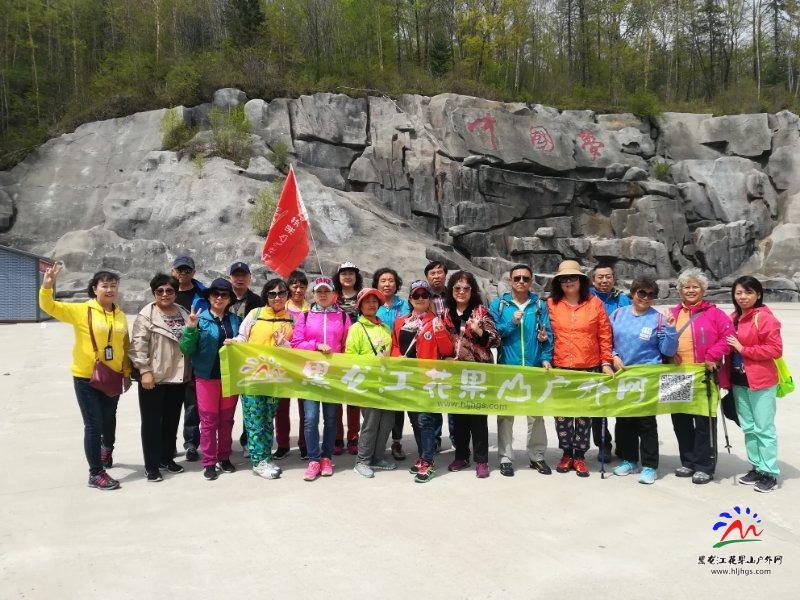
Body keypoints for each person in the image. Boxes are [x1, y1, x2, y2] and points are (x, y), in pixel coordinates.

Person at [39, 264, 131, 490]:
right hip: (86, 377)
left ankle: (106, 451)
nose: (109, 289)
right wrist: (47, 286)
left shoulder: (119, 314)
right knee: (93, 425)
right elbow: (49, 306)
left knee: (109, 419)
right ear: (94, 289)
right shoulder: (82, 310)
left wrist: (127, 373)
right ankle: (95, 473)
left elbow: (124, 345)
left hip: (113, 376)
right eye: (105, 286)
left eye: (113, 286)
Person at [547, 260, 613, 478]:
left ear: (581, 281)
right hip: (561, 367)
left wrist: (605, 362)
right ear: (558, 283)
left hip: (589, 366)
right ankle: (567, 453)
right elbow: (546, 336)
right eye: (563, 279)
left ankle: (580, 456)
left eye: (573, 278)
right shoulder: (551, 304)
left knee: (584, 415)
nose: (568, 282)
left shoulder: (595, 304)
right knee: (563, 415)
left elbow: (604, 334)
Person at [610, 277, 678, 485]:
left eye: (651, 295)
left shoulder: (657, 319)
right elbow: (607, 340)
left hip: (648, 376)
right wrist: (613, 355)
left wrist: (670, 329)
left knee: (646, 423)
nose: (646, 298)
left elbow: (668, 350)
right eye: (641, 293)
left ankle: (649, 465)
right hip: (624, 375)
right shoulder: (618, 314)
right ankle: (629, 459)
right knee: (624, 420)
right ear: (632, 293)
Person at [669, 267, 733, 484]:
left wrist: (713, 354)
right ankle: (688, 461)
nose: (690, 290)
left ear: (703, 290)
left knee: (704, 421)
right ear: (680, 290)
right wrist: (669, 354)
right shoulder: (673, 313)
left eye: (695, 286)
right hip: (676, 374)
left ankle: (705, 465)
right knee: (681, 421)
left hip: (703, 374)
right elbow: (663, 338)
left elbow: (729, 337)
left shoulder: (715, 313)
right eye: (686, 287)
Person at [226, 278, 294, 480]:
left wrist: (285, 344)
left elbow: (296, 351)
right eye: (272, 294)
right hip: (253, 377)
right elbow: (242, 337)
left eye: (281, 293)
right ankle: (258, 461)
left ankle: (265, 456)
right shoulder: (254, 315)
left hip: (275, 379)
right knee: (254, 419)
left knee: (267, 419)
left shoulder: (292, 319)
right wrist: (234, 343)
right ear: (266, 296)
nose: (277, 297)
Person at [490, 264, 554, 477]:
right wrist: (512, 323)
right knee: (506, 415)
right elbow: (493, 334)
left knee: (536, 415)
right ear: (510, 280)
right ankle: (506, 458)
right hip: (508, 367)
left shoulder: (539, 306)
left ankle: (537, 456)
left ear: (531, 280)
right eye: (517, 278)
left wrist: (545, 357)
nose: (521, 282)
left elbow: (548, 334)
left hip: (534, 368)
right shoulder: (499, 305)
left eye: (526, 279)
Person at [129, 274, 192, 482]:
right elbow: (138, 346)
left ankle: (167, 458)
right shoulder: (146, 315)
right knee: (151, 423)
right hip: (154, 378)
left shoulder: (183, 312)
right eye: (160, 291)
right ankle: (152, 465)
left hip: (177, 376)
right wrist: (144, 371)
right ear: (154, 293)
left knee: (172, 421)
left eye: (170, 291)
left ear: (175, 292)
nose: (165, 295)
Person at [391, 280, 454, 483]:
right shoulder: (401, 321)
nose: (420, 299)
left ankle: (428, 460)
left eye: (424, 296)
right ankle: (422, 456)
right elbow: (394, 345)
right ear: (410, 299)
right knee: (414, 420)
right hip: (408, 379)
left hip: (428, 380)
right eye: (416, 295)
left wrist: (440, 330)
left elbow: (446, 351)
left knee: (426, 420)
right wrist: (396, 357)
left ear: (429, 300)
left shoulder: (435, 321)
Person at [179, 278, 241, 481]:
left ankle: (224, 457)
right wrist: (190, 328)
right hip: (206, 378)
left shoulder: (234, 320)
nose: (220, 298)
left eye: (224, 295)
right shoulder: (200, 319)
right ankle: (209, 461)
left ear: (230, 298)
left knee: (226, 420)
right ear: (209, 297)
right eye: (215, 294)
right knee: (208, 422)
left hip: (229, 377)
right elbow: (186, 349)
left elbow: (243, 344)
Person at [291, 277, 351, 481]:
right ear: (314, 294)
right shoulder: (305, 316)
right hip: (310, 374)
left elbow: (346, 347)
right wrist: (316, 346)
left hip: (332, 376)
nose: (323, 294)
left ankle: (326, 457)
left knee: (331, 418)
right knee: (310, 418)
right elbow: (296, 343)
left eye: (327, 291)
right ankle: (314, 459)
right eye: (319, 291)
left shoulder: (343, 317)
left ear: (334, 294)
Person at [726, 276, 782, 493]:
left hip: (761, 381)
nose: (743, 297)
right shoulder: (733, 318)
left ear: (758, 294)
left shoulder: (765, 318)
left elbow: (775, 349)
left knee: (764, 428)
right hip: (739, 381)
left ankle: (769, 473)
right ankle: (757, 467)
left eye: (748, 292)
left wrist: (743, 349)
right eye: (739, 292)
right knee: (749, 428)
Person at [445, 271, 500, 478]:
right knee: (458, 417)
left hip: (478, 373)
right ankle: (461, 456)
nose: (461, 292)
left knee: (478, 419)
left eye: (466, 288)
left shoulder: (481, 312)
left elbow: (495, 340)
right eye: (457, 288)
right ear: (451, 290)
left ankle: (482, 460)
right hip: (455, 374)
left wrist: (479, 331)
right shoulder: (446, 313)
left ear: (472, 291)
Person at [348, 288, 397, 478]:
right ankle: (362, 460)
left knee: (387, 421)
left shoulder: (385, 327)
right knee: (371, 422)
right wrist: (373, 359)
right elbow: (350, 357)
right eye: (367, 301)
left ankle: (378, 457)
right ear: (360, 305)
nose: (371, 304)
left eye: (375, 301)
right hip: (368, 383)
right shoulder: (356, 328)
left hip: (386, 382)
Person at [589, 262, 632, 463]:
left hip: (620, 358)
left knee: (623, 403)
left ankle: (624, 444)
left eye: (608, 277)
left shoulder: (623, 300)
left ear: (614, 279)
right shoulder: (587, 298)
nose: (604, 280)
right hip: (594, 357)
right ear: (593, 279)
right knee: (599, 406)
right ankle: (603, 445)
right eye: (600, 277)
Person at [227, 261, 265, 457]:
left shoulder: (258, 301)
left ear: (250, 278)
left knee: (250, 403)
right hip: (227, 353)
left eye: (244, 275)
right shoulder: (221, 296)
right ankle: (222, 443)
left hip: (250, 358)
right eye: (236, 275)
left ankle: (247, 440)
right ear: (230, 277)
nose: (240, 278)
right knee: (225, 404)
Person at [171, 255, 206, 462]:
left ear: (193, 272)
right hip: (170, 357)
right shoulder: (166, 292)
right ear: (173, 271)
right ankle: (168, 441)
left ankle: (191, 443)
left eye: (187, 270)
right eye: (180, 270)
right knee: (170, 403)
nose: (183, 274)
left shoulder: (202, 294)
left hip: (193, 357)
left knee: (192, 404)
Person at [373, 267, 410, 460]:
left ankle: (396, 442)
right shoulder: (372, 304)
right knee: (375, 401)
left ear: (396, 284)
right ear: (377, 284)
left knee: (396, 403)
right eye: (383, 281)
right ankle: (376, 440)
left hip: (398, 359)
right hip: (376, 361)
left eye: (391, 280)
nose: (387, 284)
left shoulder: (404, 306)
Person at [275, 270, 310, 459]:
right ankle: (282, 444)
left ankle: (304, 443)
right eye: (295, 286)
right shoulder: (281, 308)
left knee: (306, 407)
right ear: (288, 287)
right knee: (281, 407)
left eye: (302, 286)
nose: (298, 290)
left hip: (304, 363)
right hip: (284, 364)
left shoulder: (311, 309)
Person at [332, 261, 363, 455]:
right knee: (335, 398)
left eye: (351, 273)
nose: (348, 276)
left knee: (353, 397)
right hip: (336, 352)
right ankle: (337, 438)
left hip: (356, 352)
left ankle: (353, 437)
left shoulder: (362, 296)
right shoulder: (332, 297)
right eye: (344, 273)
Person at [424, 260, 449, 450]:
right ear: (427, 277)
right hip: (431, 352)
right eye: (432, 273)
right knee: (433, 395)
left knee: (453, 393)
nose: (436, 276)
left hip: (451, 352)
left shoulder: (455, 294)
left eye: (440, 272)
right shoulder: (423, 297)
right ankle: (435, 438)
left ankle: (457, 437)